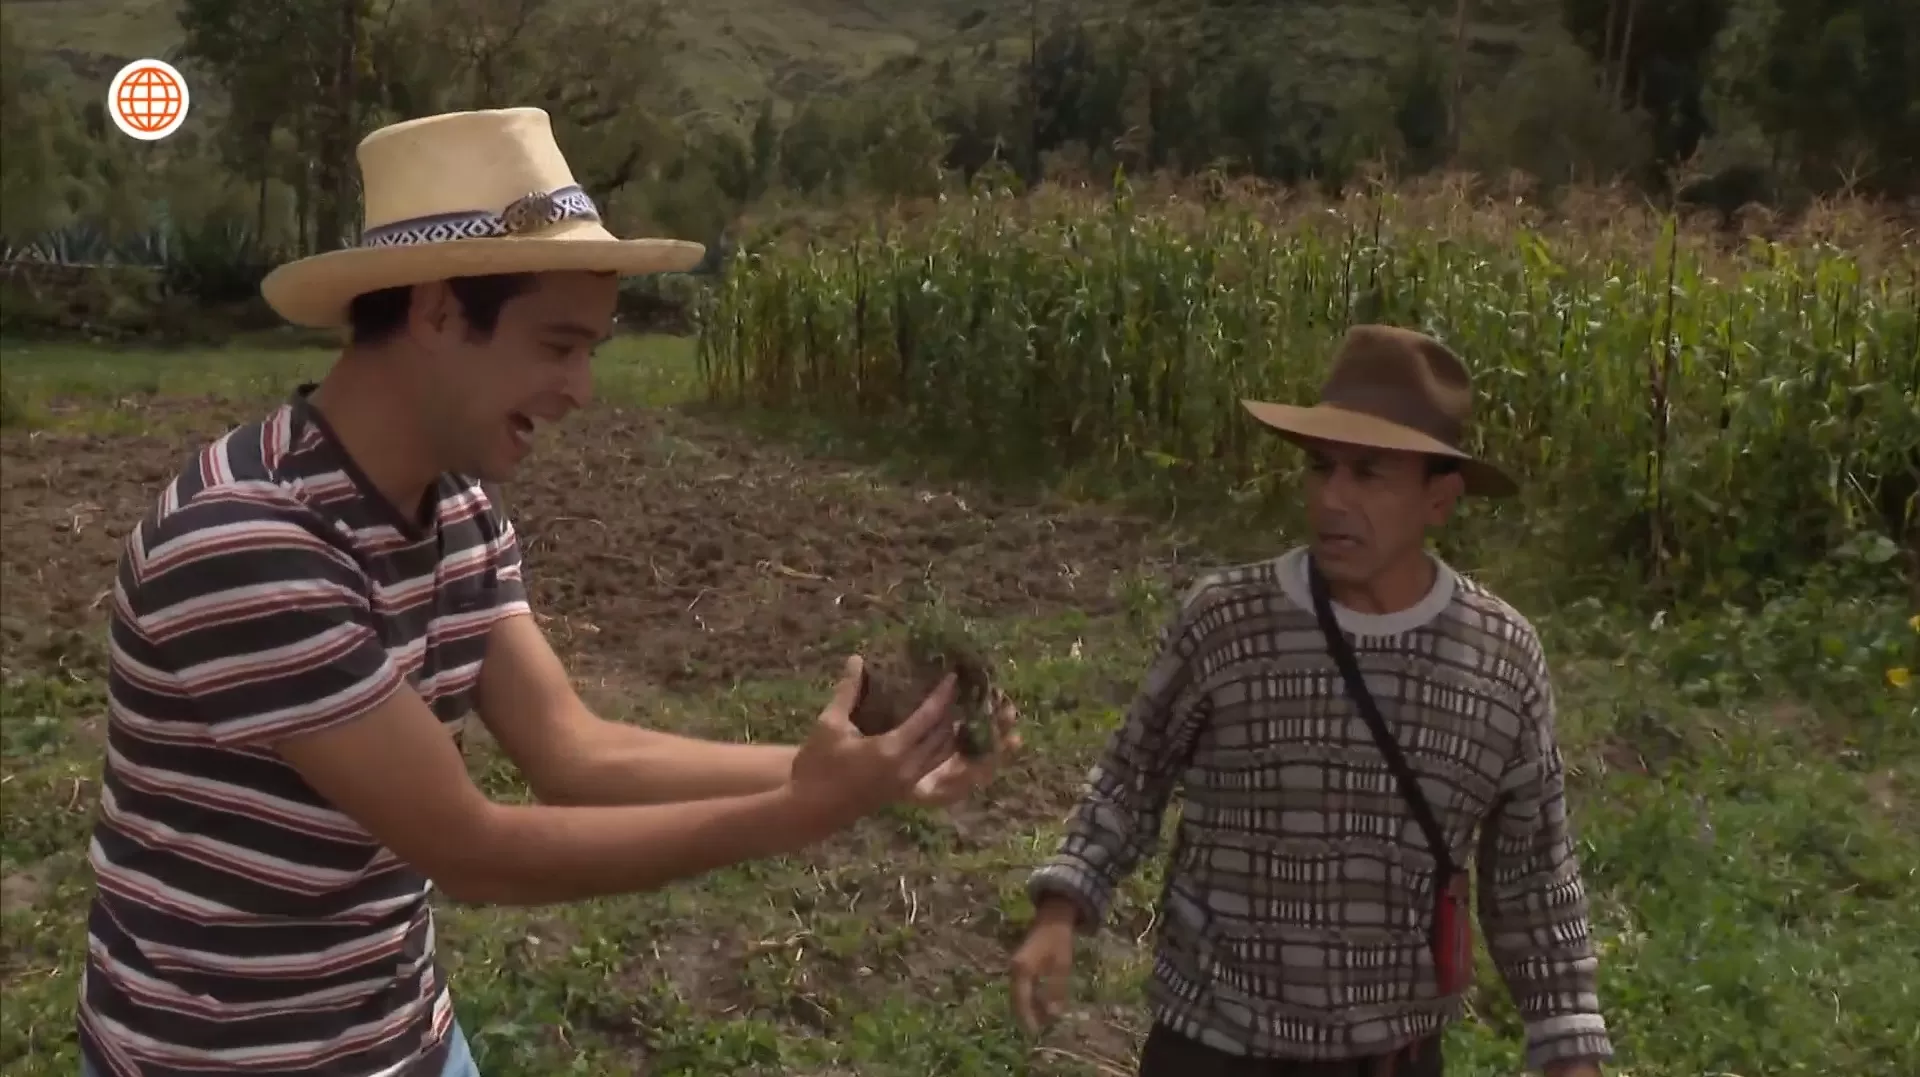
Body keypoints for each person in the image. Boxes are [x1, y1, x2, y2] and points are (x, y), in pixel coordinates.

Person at [77, 107, 1017, 1077]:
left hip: (402, 1036)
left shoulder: (455, 506)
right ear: (439, 312)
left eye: (591, 351)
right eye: (558, 345)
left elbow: (574, 753)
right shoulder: (250, 543)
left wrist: (852, 769)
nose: (580, 390)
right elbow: (473, 848)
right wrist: (798, 814)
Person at [1008, 326, 1611, 1077]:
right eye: (1321, 467)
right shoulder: (1227, 621)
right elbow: (1133, 777)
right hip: (1215, 1045)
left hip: (1392, 1056)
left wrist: (1569, 1045)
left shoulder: (1501, 656)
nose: (1332, 497)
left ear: (1440, 499)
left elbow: (1532, 871)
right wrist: (1062, 907)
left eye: (1368, 473)